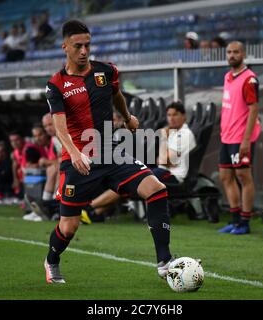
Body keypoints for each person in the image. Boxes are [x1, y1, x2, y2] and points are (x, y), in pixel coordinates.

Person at [43, 20, 173, 283]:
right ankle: (52, 260)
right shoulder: (56, 84)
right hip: (77, 159)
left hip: (110, 152)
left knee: (156, 189)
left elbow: (116, 95)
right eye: (77, 46)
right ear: (65, 46)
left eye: (87, 45)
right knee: (69, 227)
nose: (84, 51)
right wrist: (75, 152)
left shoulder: (107, 71)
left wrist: (126, 116)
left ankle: (165, 261)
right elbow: (59, 127)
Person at [217, 41, 262, 235]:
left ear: (243, 54)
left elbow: (253, 109)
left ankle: (245, 222)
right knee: (225, 176)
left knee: (244, 176)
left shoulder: (249, 79)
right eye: (229, 52)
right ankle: (235, 221)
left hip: (241, 137)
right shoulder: (228, 76)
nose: (232, 55)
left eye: (236, 52)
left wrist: (246, 140)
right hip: (226, 136)